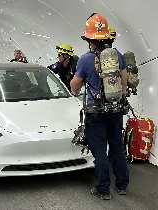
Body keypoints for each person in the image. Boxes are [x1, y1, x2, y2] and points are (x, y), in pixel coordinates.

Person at [70, 13, 129, 200]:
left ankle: (103, 189)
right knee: (117, 147)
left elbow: (74, 87)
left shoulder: (85, 60)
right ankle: (122, 185)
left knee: (99, 151)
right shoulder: (117, 55)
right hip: (115, 109)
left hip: (95, 112)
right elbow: (124, 84)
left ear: (89, 39)